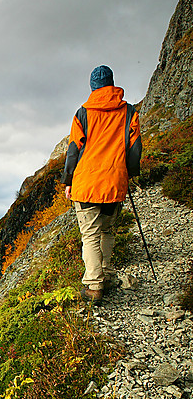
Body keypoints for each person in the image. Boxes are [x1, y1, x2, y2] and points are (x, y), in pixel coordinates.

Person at [61, 65, 142, 303]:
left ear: (93, 87)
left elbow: (74, 149)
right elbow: (134, 147)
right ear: (112, 83)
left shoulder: (83, 113)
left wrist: (68, 181)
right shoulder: (128, 112)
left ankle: (94, 286)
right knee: (107, 230)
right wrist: (130, 174)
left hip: (86, 182)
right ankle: (105, 274)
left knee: (90, 234)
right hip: (114, 181)